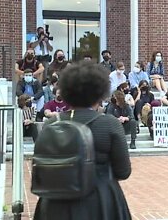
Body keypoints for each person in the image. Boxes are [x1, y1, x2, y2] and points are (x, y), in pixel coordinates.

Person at [33, 61, 131, 220]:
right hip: (100, 202)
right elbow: (123, 171)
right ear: (100, 92)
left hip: (55, 203)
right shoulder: (109, 123)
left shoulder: (52, 124)